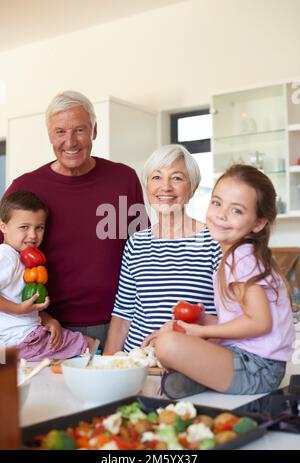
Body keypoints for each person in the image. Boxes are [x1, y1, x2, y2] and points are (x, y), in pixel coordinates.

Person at [1, 91, 147, 347]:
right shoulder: (24, 187)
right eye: (60, 132)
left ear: (94, 130)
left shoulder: (124, 179)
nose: (70, 142)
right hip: (50, 330)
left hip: (120, 324)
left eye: (80, 130)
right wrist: (43, 316)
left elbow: (142, 253)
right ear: (49, 136)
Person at [155, 164, 295, 398]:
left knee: (168, 343)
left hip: (257, 368)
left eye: (237, 211)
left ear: (258, 223)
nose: (220, 215)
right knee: (172, 334)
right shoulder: (237, 255)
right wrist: (204, 321)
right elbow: (243, 320)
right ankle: (197, 381)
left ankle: (199, 378)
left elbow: (260, 323)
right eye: (217, 203)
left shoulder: (242, 258)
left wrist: (202, 333)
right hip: (253, 362)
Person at [103, 144, 221, 353]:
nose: (165, 187)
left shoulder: (215, 241)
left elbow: (231, 319)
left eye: (177, 178)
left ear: (192, 188)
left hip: (191, 365)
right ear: (147, 186)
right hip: (137, 362)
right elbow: (123, 315)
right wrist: (107, 365)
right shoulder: (136, 243)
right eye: (156, 177)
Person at [0, 190, 94, 360]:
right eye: (24, 227)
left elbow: (21, 302)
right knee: (89, 345)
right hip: (22, 340)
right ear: (3, 227)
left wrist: (49, 320)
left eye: (39, 228)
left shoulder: (23, 258)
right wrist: (19, 309)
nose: (33, 235)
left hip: (26, 336)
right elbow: (19, 307)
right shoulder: (5, 255)